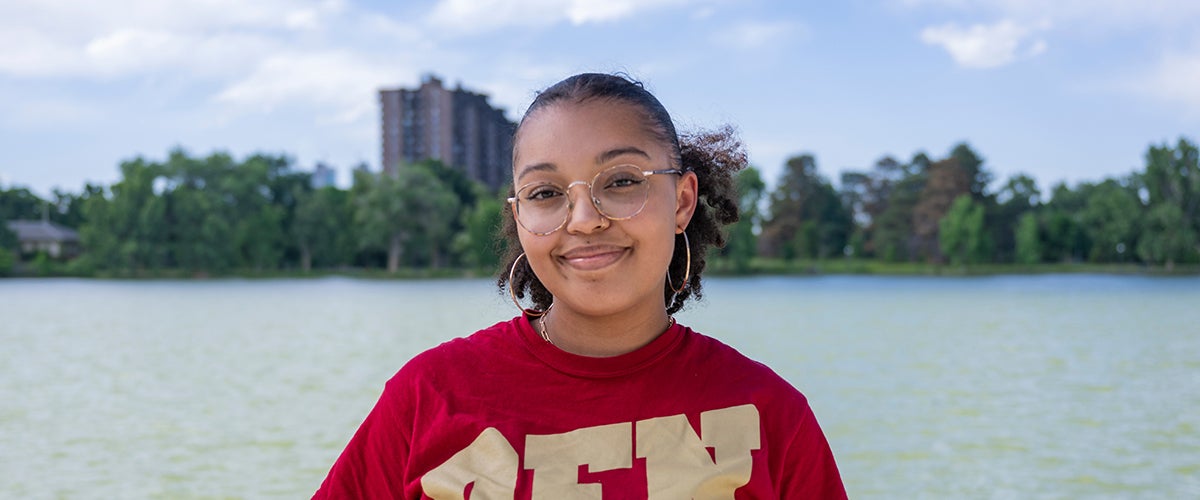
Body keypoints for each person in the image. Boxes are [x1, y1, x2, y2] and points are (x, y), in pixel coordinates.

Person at [314, 73, 846, 499]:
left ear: (682, 201)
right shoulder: (429, 395)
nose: (584, 219)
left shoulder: (770, 414)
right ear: (520, 217)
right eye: (545, 192)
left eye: (621, 182)